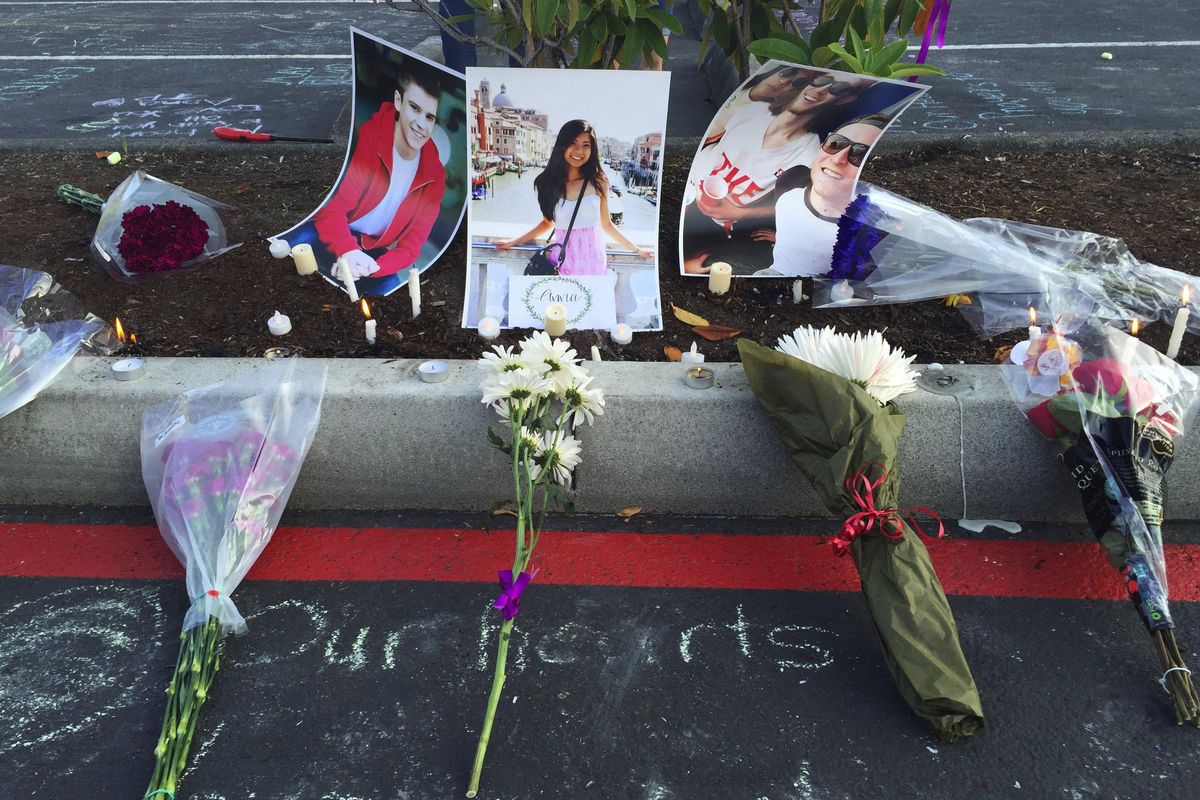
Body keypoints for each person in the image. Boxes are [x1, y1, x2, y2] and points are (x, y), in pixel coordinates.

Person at [682, 73, 868, 274]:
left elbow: (803, 203)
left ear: (845, 98)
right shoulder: (752, 111)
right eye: (821, 81)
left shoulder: (809, 155)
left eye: (837, 88)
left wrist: (742, 214)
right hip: (686, 198)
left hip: (722, 224)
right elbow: (705, 142)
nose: (820, 90)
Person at [312, 69, 447, 283]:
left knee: (391, 287)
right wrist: (348, 251)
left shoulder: (435, 176)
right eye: (414, 108)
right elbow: (332, 209)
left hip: (374, 253)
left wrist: (370, 268)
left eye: (429, 117)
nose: (421, 124)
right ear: (398, 101)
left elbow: (411, 247)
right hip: (337, 229)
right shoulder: (372, 136)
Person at [496, 119, 650, 275]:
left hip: (593, 264)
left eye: (586, 145)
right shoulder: (546, 183)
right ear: (562, 145)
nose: (579, 151)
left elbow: (607, 225)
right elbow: (546, 223)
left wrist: (637, 250)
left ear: (592, 150)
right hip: (562, 264)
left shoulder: (598, 181)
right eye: (573, 143)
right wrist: (513, 242)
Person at [750, 115, 889, 277]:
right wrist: (783, 240)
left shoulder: (875, 230)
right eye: (835, 143)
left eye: (860, 154)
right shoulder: (791, 180)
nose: (838, 158)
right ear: (821, 147)